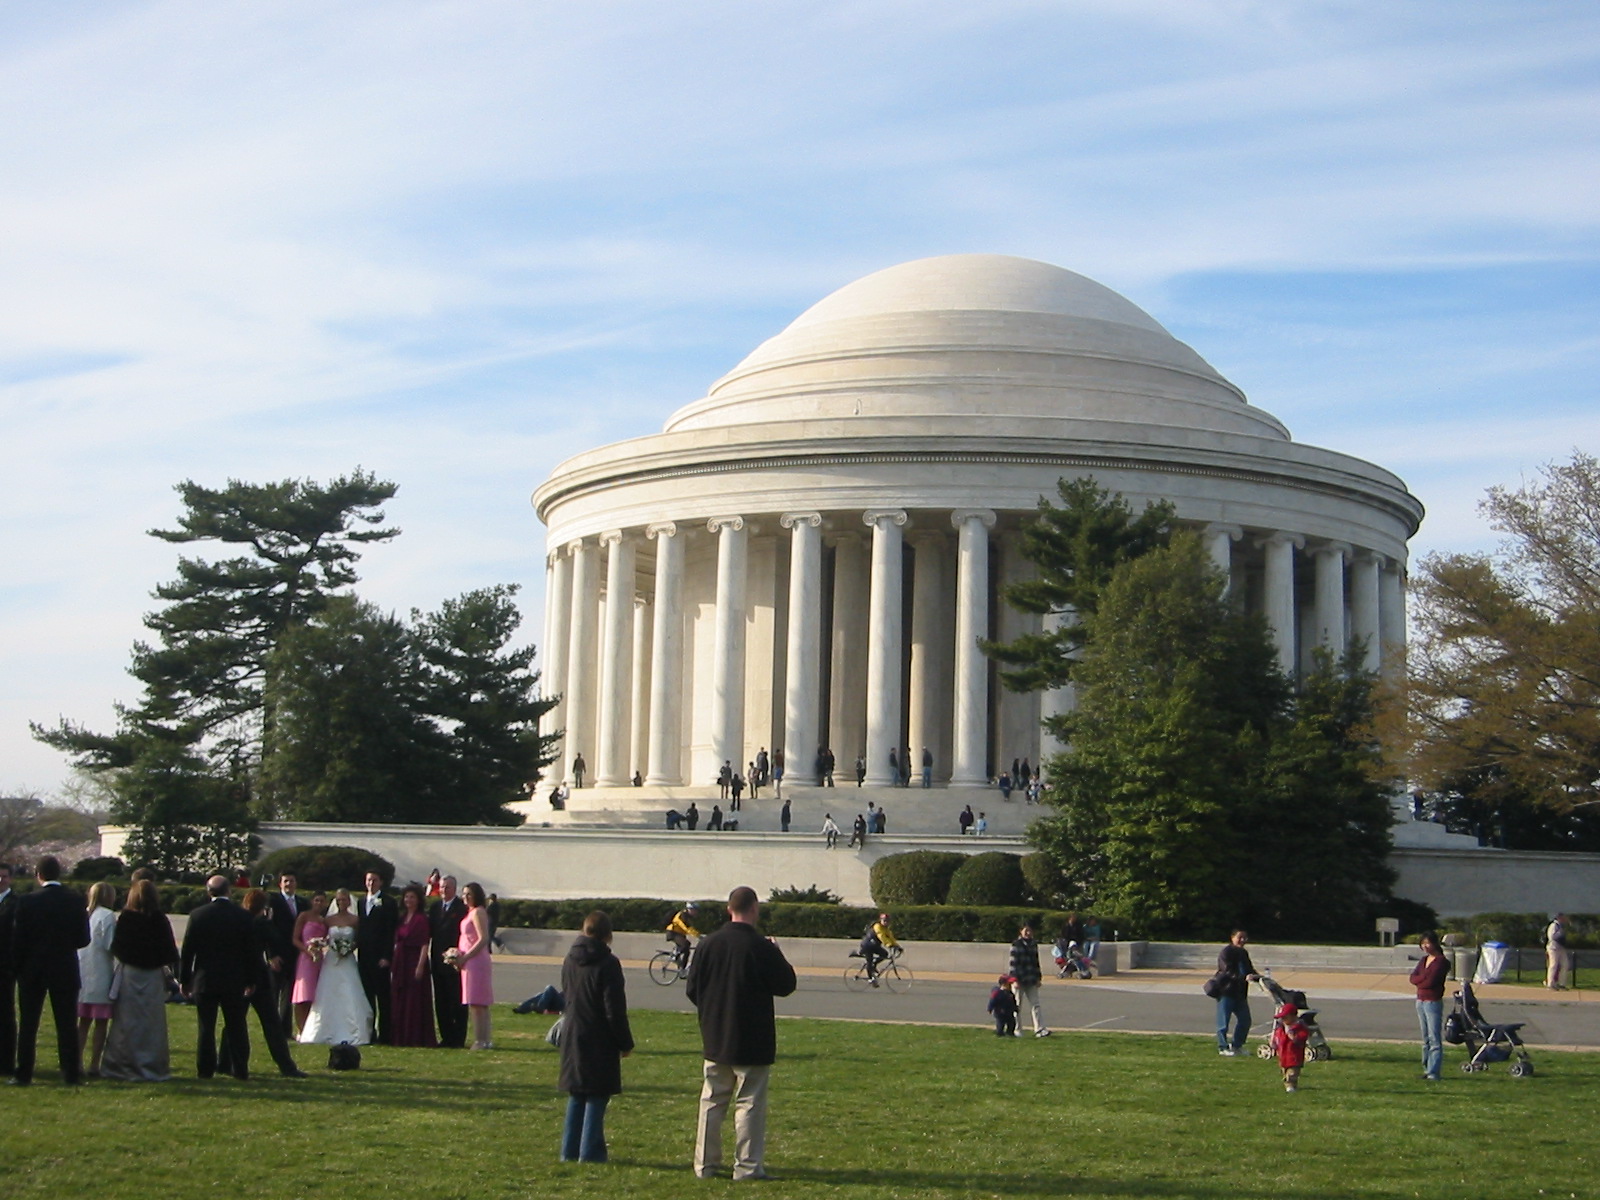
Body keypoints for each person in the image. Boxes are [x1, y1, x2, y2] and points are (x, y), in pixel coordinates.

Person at [685, 887, 797, 1181]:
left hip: (715, 1034)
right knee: (749, 1102)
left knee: (712, 1101)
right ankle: (746, 1166)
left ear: (728, 909)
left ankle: (705, 1165)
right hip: (752, 1037)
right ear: (754, 909)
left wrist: (712, 1010)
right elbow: (786, 984)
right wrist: (777, 951)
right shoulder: (760, 947)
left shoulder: (708, 944)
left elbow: (692, 988)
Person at [559, 910, 635, 1163]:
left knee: (577, 1093)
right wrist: (625, 1042)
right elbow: (614, 1009)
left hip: (573, 1031)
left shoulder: (569, 959)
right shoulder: (608, 964)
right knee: (596, 1094)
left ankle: (569, 1151)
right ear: (607, 935)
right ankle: (590, 1153)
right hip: (598, 1034)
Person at [11, 855, 90, 1085]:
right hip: (64, 967)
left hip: (32, 968)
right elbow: (83, 939)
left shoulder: (26, 901)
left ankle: (24, 1072)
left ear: (38, 875)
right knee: (66, 1024)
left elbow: (18, 940)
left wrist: (17, 967)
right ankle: (71, 1073)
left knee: (28, 1024)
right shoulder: (75, 900)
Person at [100, 878, 179, 1082]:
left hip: (130, 974)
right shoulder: (160, 919)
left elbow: (117, 947)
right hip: (152, 975)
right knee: (151, 1024)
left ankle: (121, 1065)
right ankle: (152, 1065)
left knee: (126, 1022)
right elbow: (170, 951)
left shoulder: (126, 918)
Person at [222, 889, 307, 1078]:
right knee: (271, 1023)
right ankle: (286, 1065)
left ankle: (224, 1062)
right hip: (258, 977)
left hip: (237, 977)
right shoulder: (261, 923)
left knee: (233, 1022)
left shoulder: (238, 921)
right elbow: (276, 939)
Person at [180, 874, 258, 1079]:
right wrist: (251, 980)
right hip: (234, 979)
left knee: (206, 1027)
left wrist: (184, 979)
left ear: (208, 892)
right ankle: (240, 1068)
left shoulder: (198, 915)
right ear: (229, 891)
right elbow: (251, 952)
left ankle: (205, 1069)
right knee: (236, 1026)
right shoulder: (242, 916)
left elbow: (188, 951)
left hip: (205, 979)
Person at [298, 888, 373, 1046]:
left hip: (347, 960)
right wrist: (316, 944)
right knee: (328, 992)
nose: (341, 903)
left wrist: (349, 948)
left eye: (344, 900)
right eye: (338, 900)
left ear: (349, 901)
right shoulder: (328, 920)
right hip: (331, 959)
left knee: (350, 991)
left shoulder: (355, 920)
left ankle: (354, 1029)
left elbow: (359, 939)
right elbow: (323, 937)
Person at [76, 881, 118, 1077]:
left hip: (82, 972)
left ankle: (76, 1061)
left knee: (83, 1021)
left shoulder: (84, 914)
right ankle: (94, 1063)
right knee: (100, 1022)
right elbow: (111, 945)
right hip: (101, 974)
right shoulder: (108, 916)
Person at [390, 883, 436, 1047]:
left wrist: (420, 966)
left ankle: (415, 1036)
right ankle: (401, 1036)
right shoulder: (402, 918)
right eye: (406, 897)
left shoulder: (421, 919)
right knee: (400, 998)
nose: (409, 900)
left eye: (412, 897)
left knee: (414, 1001)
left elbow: (424, 943)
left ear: (418, 900)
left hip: (414, 961)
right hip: (400, 962)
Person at [356, 870, 397, 1043]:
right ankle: (370, 1032)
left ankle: (386, 1034)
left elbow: (391, 931)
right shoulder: (360, 902)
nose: (371, 883)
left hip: (380, 958)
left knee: (383, 998)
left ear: (381, 882)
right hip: (364, 957)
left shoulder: (388, 902)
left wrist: (387, 956)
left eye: (374, 880)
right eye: (368, 880)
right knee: (367, 997)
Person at [431, 875, 469, 1048]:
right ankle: (446, 1037)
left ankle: (458, 1038)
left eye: (447, 887)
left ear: (454, 889)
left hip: (455, 963)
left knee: (457, 1002)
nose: (444, 891)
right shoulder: (435, 907)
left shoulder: (461, 909)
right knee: (441, 1002)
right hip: (437, 962)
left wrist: (456, 955)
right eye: (441, 887)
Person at [456, 882, 494, 1050]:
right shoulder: (470, 913)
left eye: (469, 894)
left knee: (477, 1002)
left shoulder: (478, 912)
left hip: (476, 961)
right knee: (478, 1003)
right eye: (464, 894)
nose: (465, 897)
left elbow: (483, 938)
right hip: (470, 960)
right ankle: (484, 1039)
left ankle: (481, 1040)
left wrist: (466, 956)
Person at [268, 872, 306, 1034]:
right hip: (278, 954)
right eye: (286, 881)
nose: (289, 884)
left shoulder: (303, 903)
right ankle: (271, 1028)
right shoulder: (273, 901)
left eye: (292, 880)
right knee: (273, 993)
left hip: (296, 955)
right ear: (280, 884)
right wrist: (271, 955)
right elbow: (268, 929)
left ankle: (284, 1029)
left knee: (289, 993)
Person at [1214, 929, 1260, 1056]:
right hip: (1226, 991)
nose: (1243, 940)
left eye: (1245, 938)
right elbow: (1226, 970)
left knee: (1245, 1020)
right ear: (1232, 938)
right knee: (1223, 1022)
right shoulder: (1226, 952)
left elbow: (1249, 969)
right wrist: (1242, 977)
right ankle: (1223, 1047)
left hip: (1240, 993)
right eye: (1240, 937)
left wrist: (1258, 977)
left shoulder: (1243, 953)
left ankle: (1237, 1046)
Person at [1410, 930, 1449, 1081]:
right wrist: (1421, 979)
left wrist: (1421, 980)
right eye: (1423, 943)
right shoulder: (1424, 960)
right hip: (1420, 1000)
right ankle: (1426, 1068)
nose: (1425, 946)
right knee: (1425, 1037)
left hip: (1432, 1002)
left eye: (1428, 943)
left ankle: (1434, 1072)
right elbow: (1413, 978)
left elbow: (1431, 982)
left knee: (1434, 1038)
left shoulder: (1441, 962)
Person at [290, 891, 329, 1035]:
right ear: (312, 901)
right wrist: (308, 951)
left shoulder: (324, 920)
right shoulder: (304, 916)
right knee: (303, 995)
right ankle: (300, 1029)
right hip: (306, 960)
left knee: (315, 995)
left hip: (319, 960)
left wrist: (321, 949)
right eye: (317, 900)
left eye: (322, 901)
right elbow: (295, 939)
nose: (319, 903)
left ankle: (311, 1028)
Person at [1009, 922, 1050, 1038]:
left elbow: (1036, 963)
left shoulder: (1033, 944)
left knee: (1035, 1005)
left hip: (1031, 979)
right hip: (1019, 980)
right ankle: (1017, 1029)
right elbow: (1013, 964)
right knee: (1017, 1006)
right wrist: (1014, 980)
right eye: (1025, 930)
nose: (1028, 933)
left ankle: (1040, 1029)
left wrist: (1038, 978)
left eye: (1030, 930)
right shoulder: (1016, 944)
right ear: (1021, 931)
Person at [0, 863, 17, 1080]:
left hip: (5, 967)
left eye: (4, 876)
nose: (0, 880)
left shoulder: (16, 903)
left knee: (5, 1015)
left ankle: (5, 1062)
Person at [1271, 1002, 1310, 1093]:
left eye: (1285, 1017)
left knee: (1292, 1074)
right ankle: (1291, 1085)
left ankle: (1290, 1086)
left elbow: (1303, 1037)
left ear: (1293, 1016)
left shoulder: (1299, 1028)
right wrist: (1274, 1045)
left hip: (1294, 1057)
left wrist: (1295, 1038)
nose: (1283, 1019)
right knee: (1285, 1072)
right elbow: (1278, 1038)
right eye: (1282, 1018)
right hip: (1283, 1056)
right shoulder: (1281, 1028)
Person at [858, 913, 898, 985]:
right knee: (869, 961)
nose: (886, 922)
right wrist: (889, 945)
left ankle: (874, 964)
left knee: (884, 954)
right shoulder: (877, 926)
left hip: (874, 946)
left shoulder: (886, 929)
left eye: (888, 921)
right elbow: (881, 936)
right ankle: (871, 978)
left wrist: (896, 945)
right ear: (880, 920)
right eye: (884, 921)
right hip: (867, 946)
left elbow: (890, 937)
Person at [666, 902, 700, 974]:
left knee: (687, 951)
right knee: (686, 944)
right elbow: (687, 928)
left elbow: (691, 928)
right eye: (694, 910)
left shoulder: (688, 916)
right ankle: (674, 956)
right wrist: (698, 936)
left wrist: (698, 934)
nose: (696, 912)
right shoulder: (682, 915)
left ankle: (682, 970)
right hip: (672, 933)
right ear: (689, 909)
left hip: (679, 934)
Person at [1545, 913, 1572, 990]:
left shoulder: (1562, 926)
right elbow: (1552, 936)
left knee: (1565, 964)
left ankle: (1561, 984)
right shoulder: (1554, 925)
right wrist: (1561, 934)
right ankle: (1550, 984)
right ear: (1559, 917)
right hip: (1553, 947)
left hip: (1561, 947)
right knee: (1553, 965)